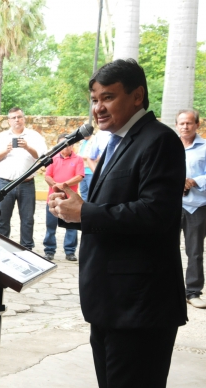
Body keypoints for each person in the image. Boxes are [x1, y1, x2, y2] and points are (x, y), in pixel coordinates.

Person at [49, 59, 187, 388]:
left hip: (139, 305)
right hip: (111, 302)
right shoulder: (117, 141)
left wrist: (86, 213)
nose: (98, 108)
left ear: (137, 96)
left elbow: (156, 213)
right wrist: (73, 211)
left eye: (108, 98)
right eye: (94, 99)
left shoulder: (158, 140)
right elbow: (111, 209)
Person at [0, 107, 47, 248]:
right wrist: (6, 150)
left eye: (19, 117)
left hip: (26, 184)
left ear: (24, 118)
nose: (17, 120)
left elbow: (42, 156)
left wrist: (27, 147)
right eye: (13, 117)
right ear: (8, 121)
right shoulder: (2, 137)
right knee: (2, 218)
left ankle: (27, 249)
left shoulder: (34, 136)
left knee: (27, 219)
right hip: (5, 184)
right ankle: (1, 248)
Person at [176, 109, 206, 309]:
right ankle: (164, 289)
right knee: (161, 247)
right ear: (176, 125)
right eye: (181, 123)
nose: (185, 127)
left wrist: (195, 180)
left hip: (196, 206)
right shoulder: (169, 145)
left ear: (197, 124)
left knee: (194, 251)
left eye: (189, 123)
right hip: (170, 205)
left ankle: (193, 292)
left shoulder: (205, 147)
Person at [43, 134, 84, 261]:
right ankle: (49, 250)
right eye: (63, 144)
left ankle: (70, 251)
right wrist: (56, 185)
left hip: (70, 200)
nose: (67, 146)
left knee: (71, 227)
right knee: (51, 226)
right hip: (53, 199)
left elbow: (80, 176)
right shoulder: (52, 158)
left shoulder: (78, 159)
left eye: (70, 144)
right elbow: (47, 176)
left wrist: (63, 185)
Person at [76, 132, 95, 201]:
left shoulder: (95, 140)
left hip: (91, 171)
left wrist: (79, 157)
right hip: (82, 171)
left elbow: (94, 156)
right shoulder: (82, 141)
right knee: (83, 193)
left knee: (92, 193)